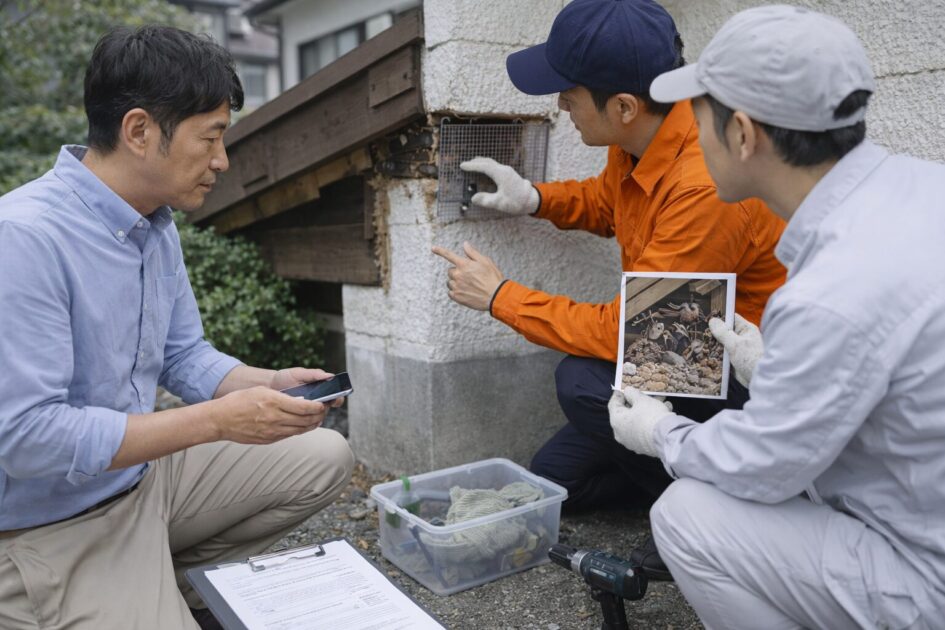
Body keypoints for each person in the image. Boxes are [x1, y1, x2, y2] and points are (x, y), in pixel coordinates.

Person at [0, 26, 354, 630]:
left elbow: (183, 355)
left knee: (323, 456)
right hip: (52, 523)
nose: (221, 160)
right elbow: (27, 436)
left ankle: (163, 579)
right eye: (211, 137)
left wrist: (265, 382)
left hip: (143, 481)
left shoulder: (152, 223)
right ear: (139, 131)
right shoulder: (24, 239)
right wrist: (217, 421)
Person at [609, 5, 945, 627]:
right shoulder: (924, 190)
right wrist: (771, 370)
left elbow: (764, 466)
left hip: (926, 575)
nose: (692, 136)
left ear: (742, 133)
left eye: (697, 119)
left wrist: (659, 432)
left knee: (684, 516)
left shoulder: (830, 288)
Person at [431, 0, 786, 578]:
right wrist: (536, 198)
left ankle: (715, 514)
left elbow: (634, 333)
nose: (560, 104)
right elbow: (610, 203)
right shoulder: (642, 139)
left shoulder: (703, 184)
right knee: (556, 478)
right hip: (679, 355)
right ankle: (666, 471)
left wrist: (500, 297)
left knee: (581, 380)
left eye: (568, 94)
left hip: (741, 376)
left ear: (623, 106)